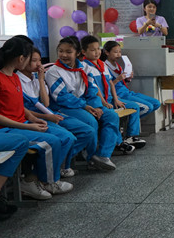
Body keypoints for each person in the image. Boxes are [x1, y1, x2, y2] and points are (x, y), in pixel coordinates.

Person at [0, 37, 73, 200]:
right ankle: (49, 181)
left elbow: (18, 106)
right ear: (21, 58)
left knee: (64, 137)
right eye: (30, 58)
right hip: (6, 129)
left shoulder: (14, 77)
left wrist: (33, 119)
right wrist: (28, 126)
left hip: (22, 124)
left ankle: (39, 179)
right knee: (51, 142)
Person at [16, 46, 96, 177]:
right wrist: (48, 116)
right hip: (36, 117)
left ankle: (60, 162)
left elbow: (46, 103)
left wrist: (40, 79)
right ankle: (48, 172)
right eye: (34, 61)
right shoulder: (17, 80)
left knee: (87, 131)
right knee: (67, 137)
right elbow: (23, 110)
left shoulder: (36, 77)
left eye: (40, 60)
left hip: (47, 113)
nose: (39, 64)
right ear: (22, 61)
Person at [44, 36, 121, 170]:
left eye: (68, 52)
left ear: (78, 53)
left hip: (85, 103)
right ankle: (90, 157)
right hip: (65, 107)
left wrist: (96, 106)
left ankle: (102, 156)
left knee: (111, 116)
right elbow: (62, 97)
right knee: (91, 121)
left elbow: (92, 89)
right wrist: (85, 106)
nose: (64, 55)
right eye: (61, 51)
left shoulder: (84, 68)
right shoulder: (54, 72)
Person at [80, 35, 143, 152]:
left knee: (133, 106)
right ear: (84, 51)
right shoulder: (84, 66)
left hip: (109, 99)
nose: (97, 52)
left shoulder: (102, 64)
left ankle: (131, 136)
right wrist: (104, 102)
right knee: (111, 115)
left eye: (98, 49)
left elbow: (110, 83)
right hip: (98, 102)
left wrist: (116, 99)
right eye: (93, 50)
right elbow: (95, 88)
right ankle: (118, 142)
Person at [101, 40, 161, 119]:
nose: (118, 54)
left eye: (120, 52)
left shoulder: (118, 66)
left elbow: (121, 83)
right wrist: (118, 79)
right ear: (107, 52)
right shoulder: (104, 67)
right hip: (120, 95)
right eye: (115, 52)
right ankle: (128, 121)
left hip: (127, 92)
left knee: (156, 103)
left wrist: (127, 79)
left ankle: (131, 119)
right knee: (148, 107)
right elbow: (105, 86)